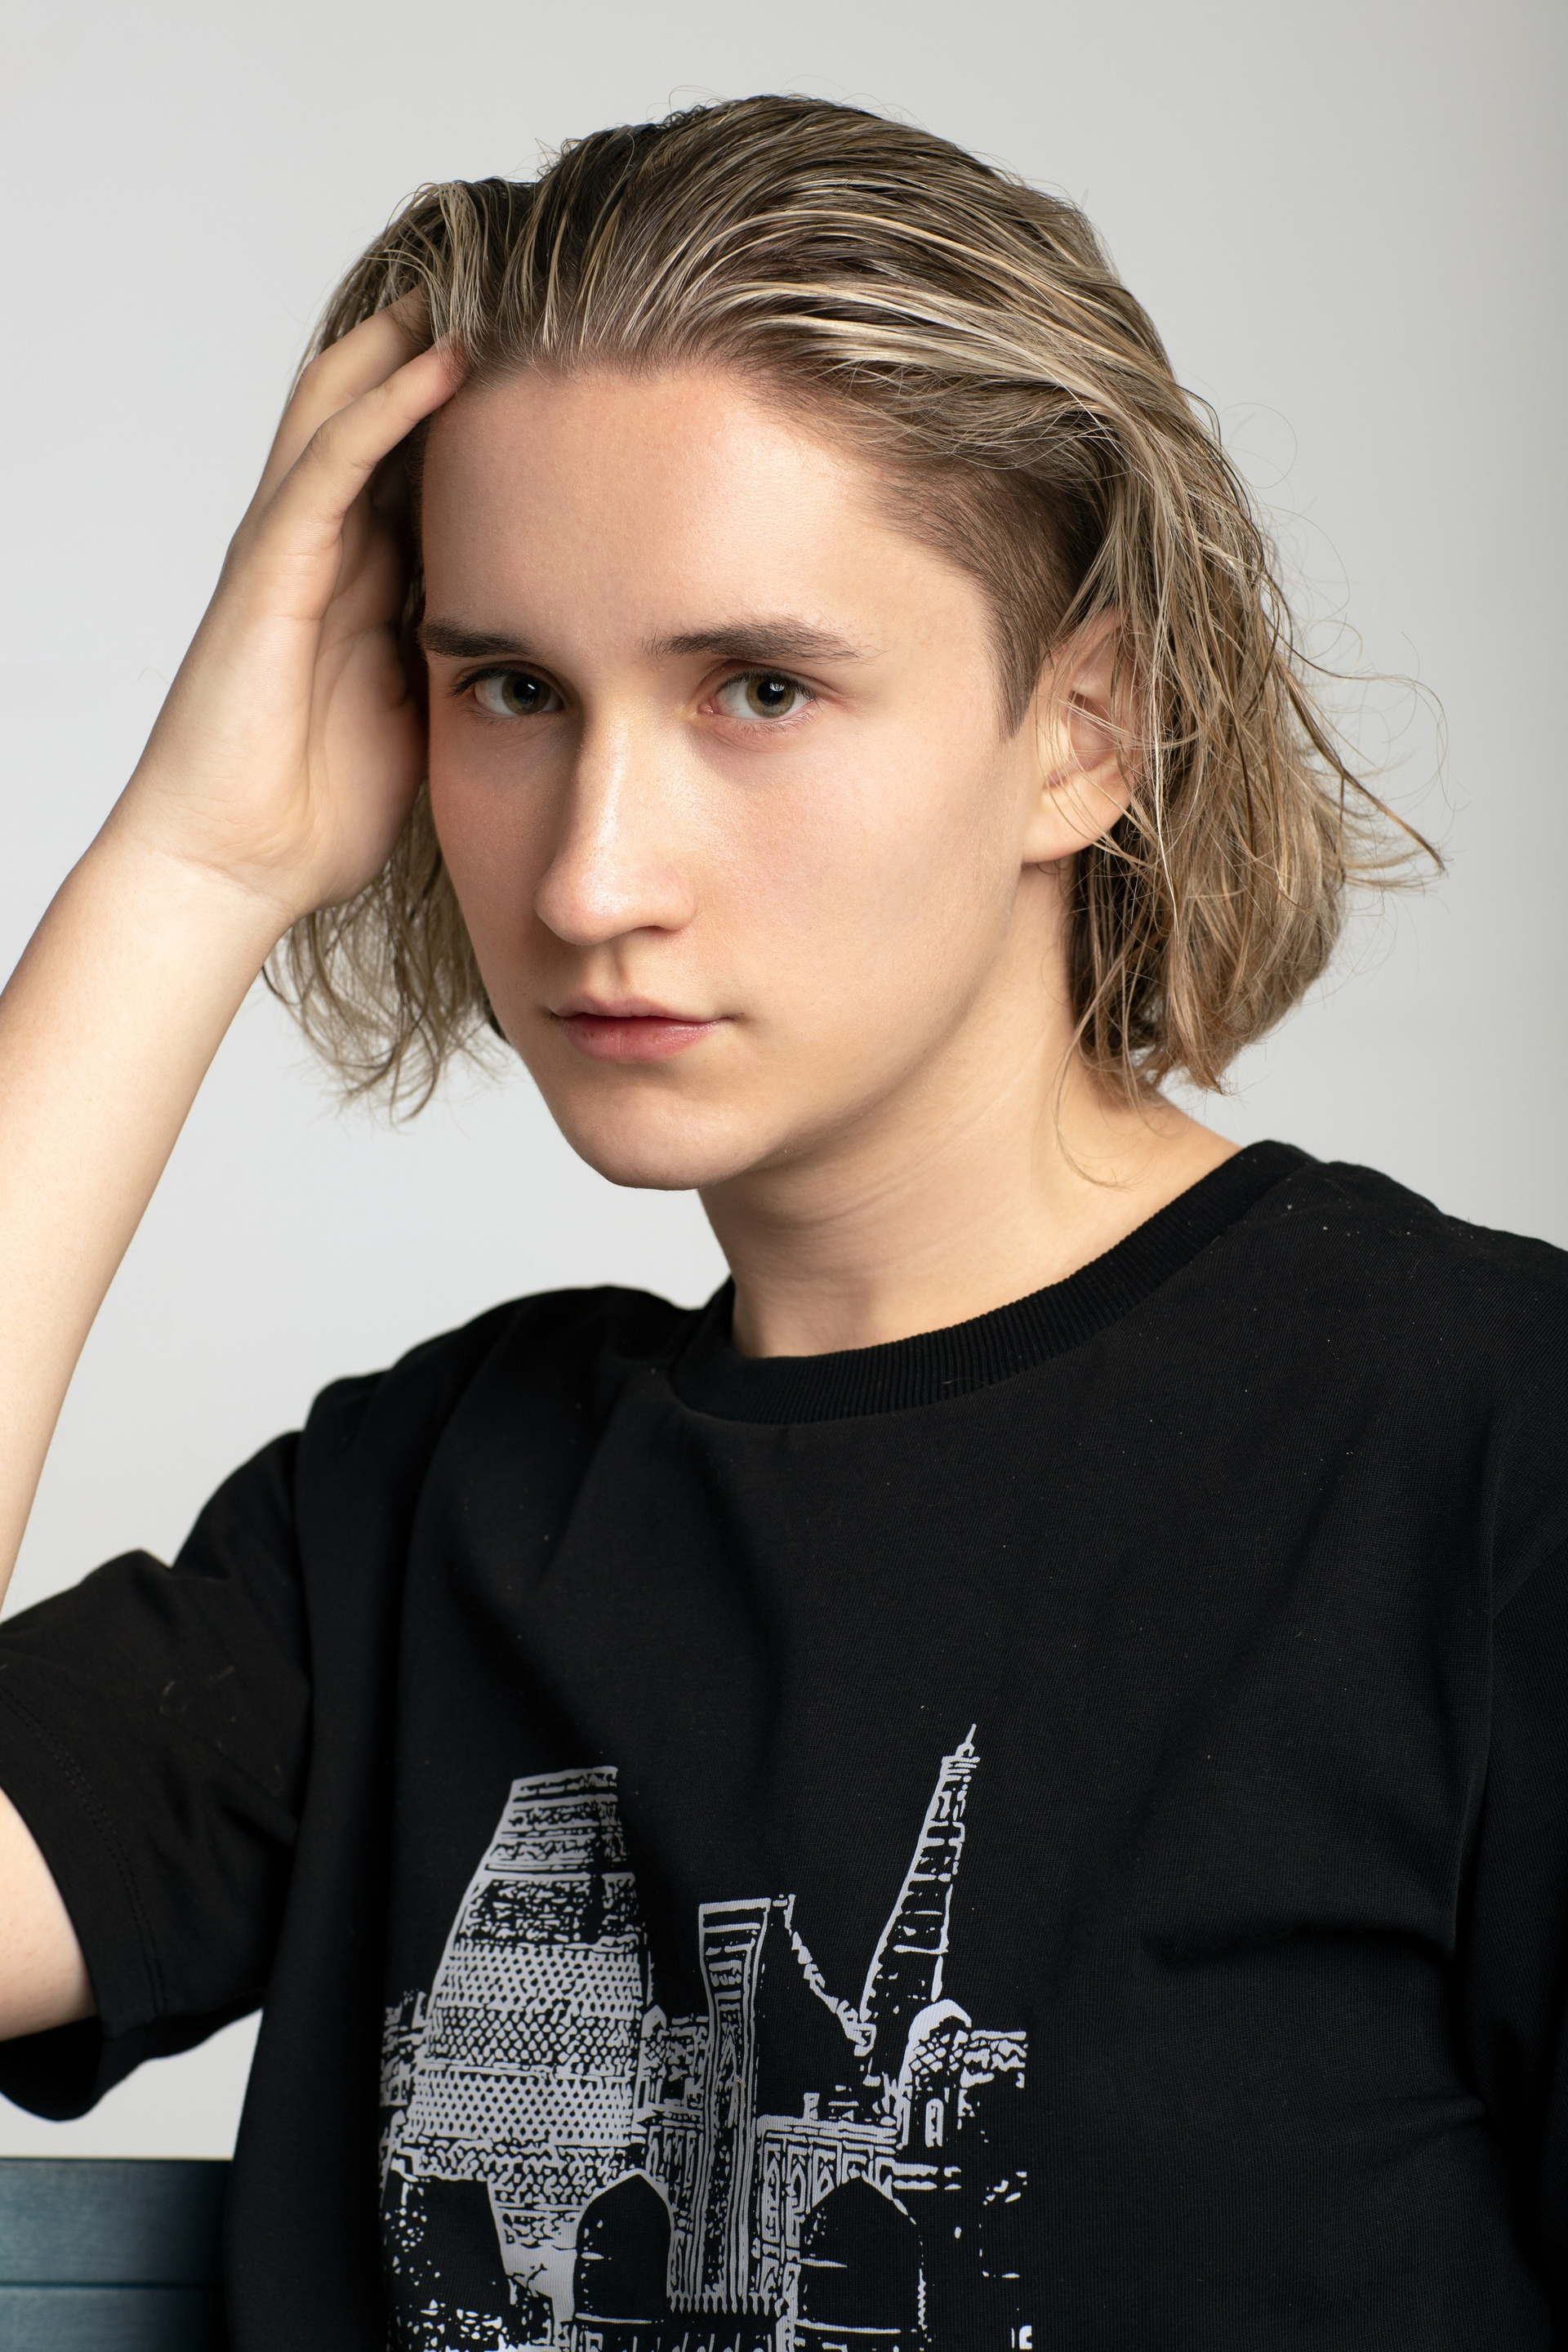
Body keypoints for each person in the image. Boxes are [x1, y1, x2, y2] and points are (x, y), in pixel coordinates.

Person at [0, 92, 1561, 2352]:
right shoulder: (413, 1523)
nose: (591, 871)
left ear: (1084, 727)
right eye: (510, 688)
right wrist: (186, 870)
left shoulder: (1487, 1461)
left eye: (758, 688)